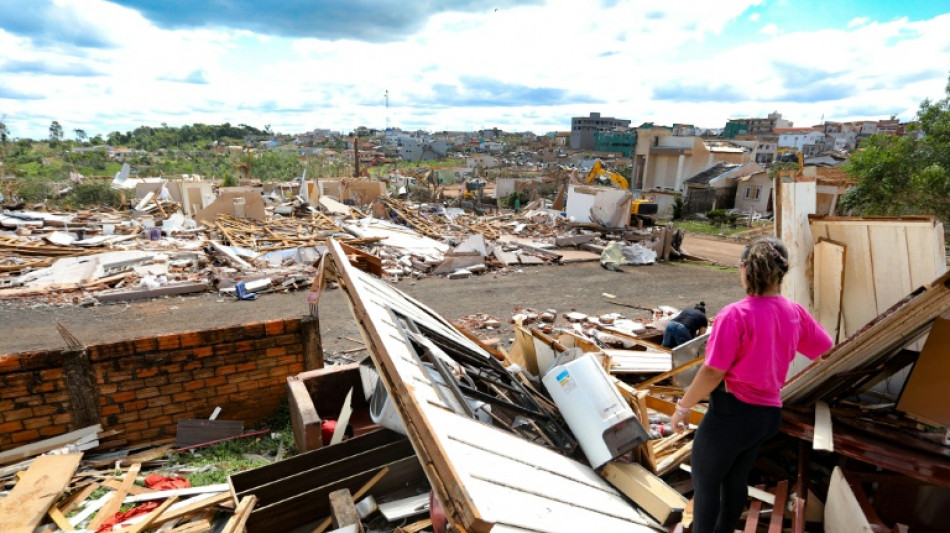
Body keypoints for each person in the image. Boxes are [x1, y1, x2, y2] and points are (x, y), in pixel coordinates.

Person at [669, 237, 833, 533]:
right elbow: (824, 349)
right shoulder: (794, 312)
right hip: (766, 417)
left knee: (705, 484)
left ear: (746, 268)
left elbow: (712, 371)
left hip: (731, 415)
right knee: (735, 481)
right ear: (781, 272)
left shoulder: (735, 314)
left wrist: (683, 407)